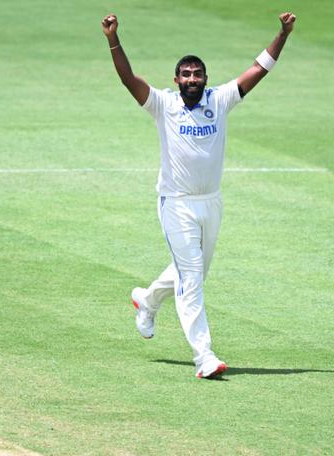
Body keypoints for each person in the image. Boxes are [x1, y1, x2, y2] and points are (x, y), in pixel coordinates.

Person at [102, 12, 296, 379]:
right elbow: (128, 79)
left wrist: (282, 34)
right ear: (176, 80)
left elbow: (259, 69)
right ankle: (204, 356)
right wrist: (113, 39)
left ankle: (147, 299)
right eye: (186, 74)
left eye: (198, 74)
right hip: (176, 203)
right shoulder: (164, 104)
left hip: (211, 203)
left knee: (193, 273)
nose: (192, 79)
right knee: (191, 279)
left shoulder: (220, 100)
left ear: (205, 78)